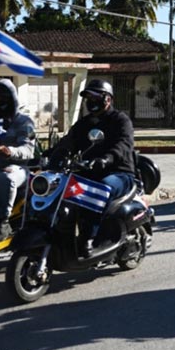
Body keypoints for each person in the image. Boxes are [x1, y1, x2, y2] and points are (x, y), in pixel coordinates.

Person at [50, 79, 135, 255]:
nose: (91, 101)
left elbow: (124, 144)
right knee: (61, 190)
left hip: (119, 173)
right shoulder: (84, 123)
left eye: (96, 96)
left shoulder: (120, 120)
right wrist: (50, 155)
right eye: (88, 97)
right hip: (89, 171)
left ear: (108, 99)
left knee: (98, 189)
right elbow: (68, 142)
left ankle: (90, 238)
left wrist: (107, 159)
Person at [0, 79, 36, 241]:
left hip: (18, 168)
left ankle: (3, 221)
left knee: (6, 177)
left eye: (3, 97)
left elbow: (28, 150)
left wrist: (10, 151)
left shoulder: (25, 122)